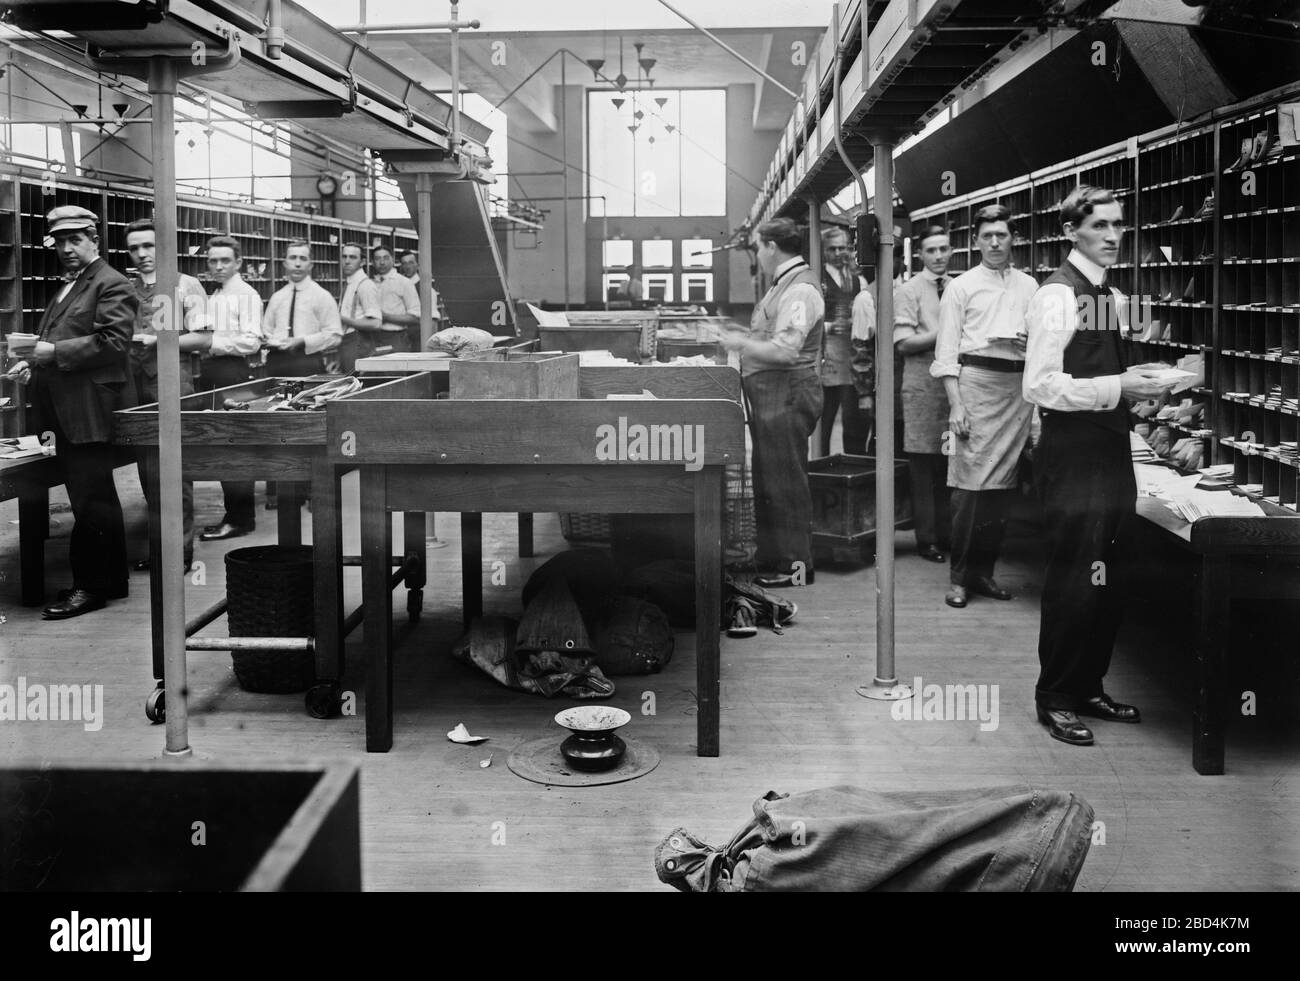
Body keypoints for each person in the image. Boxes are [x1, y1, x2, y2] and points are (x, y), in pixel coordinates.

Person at [1023, 185, 1175, 747]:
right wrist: (1118, 385)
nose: (1113, 236)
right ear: (1072, 231)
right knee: (1074, 577)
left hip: (1109, 449)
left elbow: (1093, 374)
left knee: (1110, 573)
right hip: (1073, 456)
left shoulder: (1104, 293)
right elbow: (1038, 385)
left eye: (1118, 225)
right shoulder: (1058, 295)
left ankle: (1088, 686)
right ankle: (1055, 696)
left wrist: (1140, 390)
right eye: (1100, 226)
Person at [7, 206, 136, 618]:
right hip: (64, 409)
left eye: (75, 239)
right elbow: (61, 340)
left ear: (94, 239)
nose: (66, 248)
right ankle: (110, 581)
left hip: (88, 412)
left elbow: (114, 342)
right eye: (60, 241)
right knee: (94, 498)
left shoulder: (110, 283)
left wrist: (52, 352)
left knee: (90, 499)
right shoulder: (71, 286)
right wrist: (35, 362)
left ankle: (90, 588)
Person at [931, 204, 1038, 609]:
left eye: (1003, 236)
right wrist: (955, 404)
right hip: (974, 386)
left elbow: (1043, 345)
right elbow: (945, 353)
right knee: (968, 488)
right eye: (987, 236)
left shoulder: (1030, 287)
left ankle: (984, 573)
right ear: (975, 242)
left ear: (1014, 239)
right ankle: (959, 578)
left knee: (1002, 489)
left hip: (1017, 390)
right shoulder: (960, 287)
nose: (995, 243)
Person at [720, 218, 824, 588]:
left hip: (788, 395)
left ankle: (797, 569)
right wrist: (746, 337)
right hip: (772, 397)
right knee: (770, 480)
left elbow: (784, 351)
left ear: (771, 247)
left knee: (787, 483)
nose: (758, 256)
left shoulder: (800, 291)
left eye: (758, 248)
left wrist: (741, 345)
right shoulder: (784, 285)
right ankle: (773, 560)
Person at [123, 217, 207, 572]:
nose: (142, 254)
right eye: (134, 248)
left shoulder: (184, 285)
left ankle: (180, 552)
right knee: (147, 470)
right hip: (135, 386)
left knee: (174, 470)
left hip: (173, 385)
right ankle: (162, 548)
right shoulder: (126, 287)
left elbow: (203, 338)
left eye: (149, 246)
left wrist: (159, 340)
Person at [196, 235, 264, 542]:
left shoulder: (246, 294)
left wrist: (213, 344)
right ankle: (234, 515)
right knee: (222, 445)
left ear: (238, 262)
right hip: (213, 371)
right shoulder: (217, 292)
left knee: (233, 446)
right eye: (213, 260)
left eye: (225, 260)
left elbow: (253, 340)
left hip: (231, 372)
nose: (218, 266)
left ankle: (240, 518)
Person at [894, 225, 954, 563]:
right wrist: (946, 330)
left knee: (950, 463)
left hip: (954, 390)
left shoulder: (959, 287)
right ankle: (927, 539)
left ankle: (947, 534)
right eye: (931, 250)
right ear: (919, 255)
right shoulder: (908, 291)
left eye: (943, 248)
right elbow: (903, 344)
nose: (939, 256)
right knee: (923, 466)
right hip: (922, 388)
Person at [817, 226, 869, 456]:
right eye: (832, 249)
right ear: (824, 251)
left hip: (851, 361)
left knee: (853, 421)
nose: (839, 253)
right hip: (825, 359)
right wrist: (829, 326)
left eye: (843, 248)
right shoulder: (816, 280)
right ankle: (820, 470)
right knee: (822, 423)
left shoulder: (859, 281)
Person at [263, 239, 343, 377]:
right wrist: (270, 341)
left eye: (303, 259)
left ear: (310, 265)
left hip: (307, 362)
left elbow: (334, 335)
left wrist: (303, 341)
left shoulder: (322, 296)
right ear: (285, 263)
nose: (298, 264)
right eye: (293, 258)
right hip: (276, 362)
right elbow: (267, 330)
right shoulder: (277, 297)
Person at [337, 243, 383, 373]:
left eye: (352, 257)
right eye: (344, 256)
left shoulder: (365, 285)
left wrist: (342, 319)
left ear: (362, 261)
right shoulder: (350, 283)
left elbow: (375, 323)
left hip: (358, 344)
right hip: (347, 344)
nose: (347, 261)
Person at [368, 245, 420, 355]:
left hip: (396, 338)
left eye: (386, 258)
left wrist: (386, 317)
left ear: (393, 259)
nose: (382, 262)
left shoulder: (404, 282)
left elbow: (415, 318)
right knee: (373, 371)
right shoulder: (370, 283)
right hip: (372, 338)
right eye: (377, 259)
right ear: (372, 262)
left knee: (394, 371)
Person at [396, 249, 440, 349]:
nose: (407, 267)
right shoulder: (398, 285)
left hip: (419, 340)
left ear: (417, 265)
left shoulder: (426, 289)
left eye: (411, 263)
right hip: (401, 339)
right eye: (404, 263)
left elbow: (432, 321)